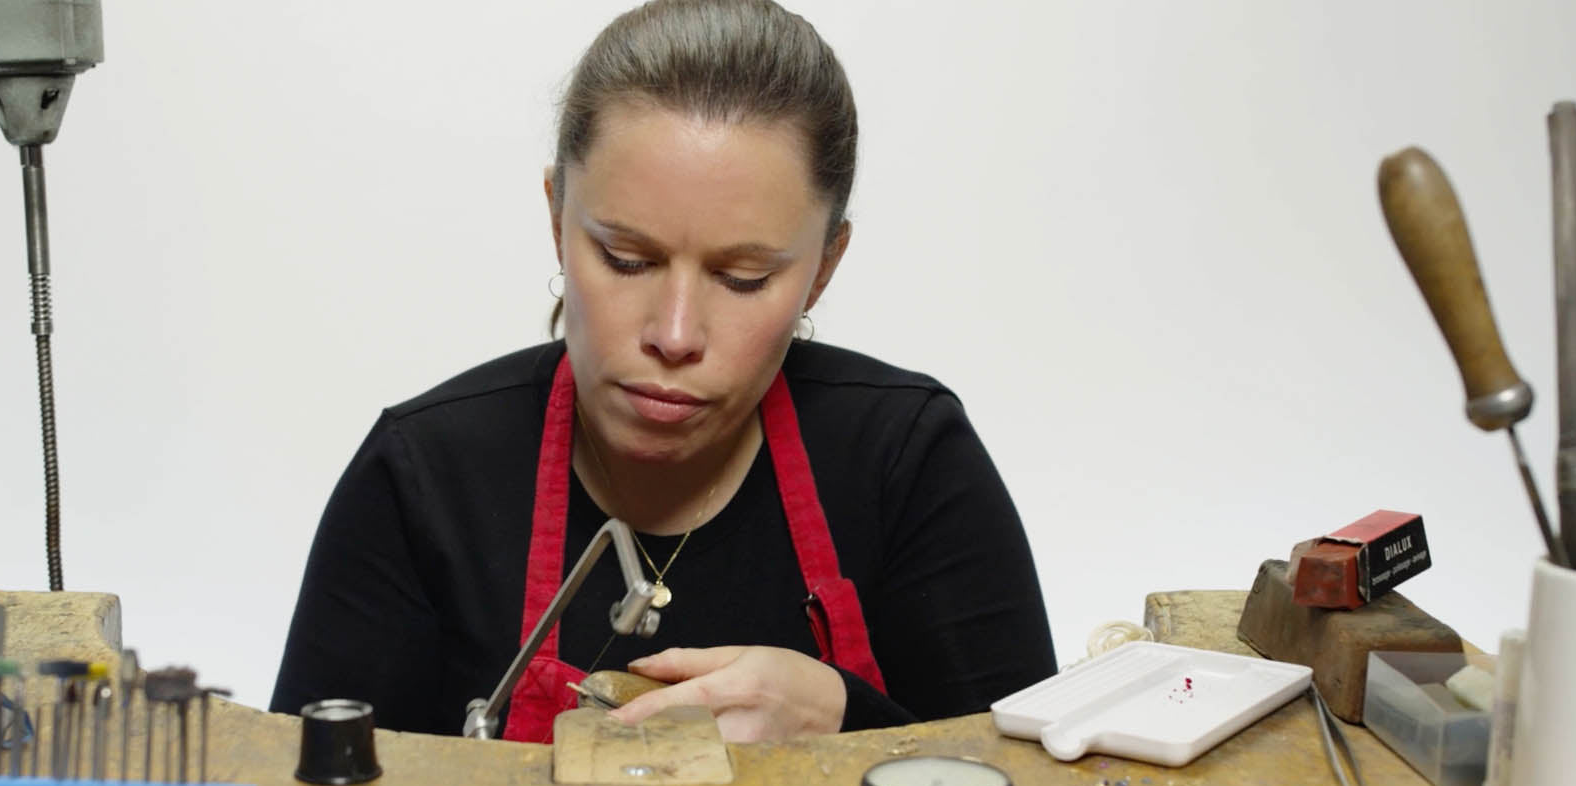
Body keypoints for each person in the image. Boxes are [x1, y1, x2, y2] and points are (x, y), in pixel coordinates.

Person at [269, 0, 1054, 743]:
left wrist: (845, 720)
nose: (674, 335)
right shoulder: (419, 480)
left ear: (823, 269)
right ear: (555, 219)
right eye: (626, 259)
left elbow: (1029, 782)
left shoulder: (909, 462)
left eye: (743, 277)